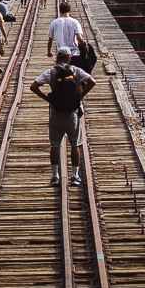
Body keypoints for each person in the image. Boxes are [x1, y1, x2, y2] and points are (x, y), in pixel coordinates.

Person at [31, 50, 94, 186]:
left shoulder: (51, 72)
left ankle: (55, 176)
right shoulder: (76, 71)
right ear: (69, 58)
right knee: (75, 144)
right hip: (72, 113)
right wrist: (79, 97)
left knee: (55, 144)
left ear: (57, 58)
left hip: (56, 112)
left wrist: (48, 99)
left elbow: (34, 86)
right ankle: (75, 176)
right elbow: (92, 82)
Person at [47, 0, 86, 66]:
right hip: (74, 54)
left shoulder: (54, 22)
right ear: (70, 10)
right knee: (75, 74)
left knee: (60, 74)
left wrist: (49, 51)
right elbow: (79, 38)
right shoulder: (75, 22)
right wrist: (84, 45)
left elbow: (50, 39)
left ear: (60, 11)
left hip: (61, 55)